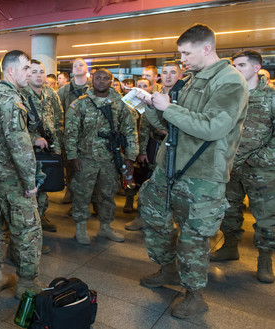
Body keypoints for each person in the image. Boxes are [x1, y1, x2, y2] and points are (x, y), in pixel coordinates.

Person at [136, 24, 248, 319]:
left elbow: (214, 127)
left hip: (202, 176)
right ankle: (168, 267)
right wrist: (152, 104)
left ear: (206, 48)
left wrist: (169, 108)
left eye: (186, 52)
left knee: (193, 238)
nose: (182, 58)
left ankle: (194, 294)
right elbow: (171, 125)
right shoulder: (192, 80)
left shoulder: (230, 82)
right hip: (171, 167)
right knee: (154, 217)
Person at [210, 50, 274, 284]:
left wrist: (259, 158)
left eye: (242, 65)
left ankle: (265, 259)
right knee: (230, 209)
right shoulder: (228, 95)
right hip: (229, 164)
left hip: (261, 169)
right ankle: (229, 246)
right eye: (234, 65)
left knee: (266, 215)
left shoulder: (271, 96)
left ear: (257, 68)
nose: (237, 69)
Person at [0, 50, 42, 299]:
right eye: (26, 68)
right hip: (12, 177)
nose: (30, 73)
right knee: (27, 229)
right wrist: (30, 181)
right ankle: (26, 284)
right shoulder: (12, 100)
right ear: (11, 71)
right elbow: (19, 144)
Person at [65, 68, 138, 245]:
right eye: (98, 78)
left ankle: (105, 227)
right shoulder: (81, 103)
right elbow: (70, 131)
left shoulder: (120, 104)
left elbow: (130, 130)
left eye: (106, 78)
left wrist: (130, 156)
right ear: (92, 80)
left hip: (110, 159)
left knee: (108, 194)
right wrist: (72, 156)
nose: (101, 81)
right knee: (82, 194)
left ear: (111, 81)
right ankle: (81, 228)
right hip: (86, 157)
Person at [127, 62, 184, 231]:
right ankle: (141, 217)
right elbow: (145, 126)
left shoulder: (185, 96)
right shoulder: (155, 95)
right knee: (147, 183)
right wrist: (142, 151)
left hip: (179, 148)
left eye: (173, 72)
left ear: (180, 75)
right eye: (165, 72)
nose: (168, 76)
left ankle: (170, 220)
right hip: (155, 145)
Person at [21, 60, 64, 236]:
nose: (39, 75)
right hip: (29, 151)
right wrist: (33, 139)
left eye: (42, 72)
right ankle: (31, 230)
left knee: (44, 188)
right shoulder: (21, 95)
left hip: (49, 148)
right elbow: (16, 128)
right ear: (27, 74)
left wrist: (57, 145)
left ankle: (41, 218)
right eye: (34, 71)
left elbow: (59, 119)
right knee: (30, 191)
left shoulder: (50, 94)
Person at [58, 58, 91, 204]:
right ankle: (70, 191)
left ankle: (89, 198)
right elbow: (58, 111)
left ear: (86, 69)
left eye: (81, 65)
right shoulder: (64, 90)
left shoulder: (93, 88)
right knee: (70, 165)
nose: (78, 67)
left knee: (88, 167)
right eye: (75, 65)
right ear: (72, 70)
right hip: (70, 134)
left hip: (90, 135)